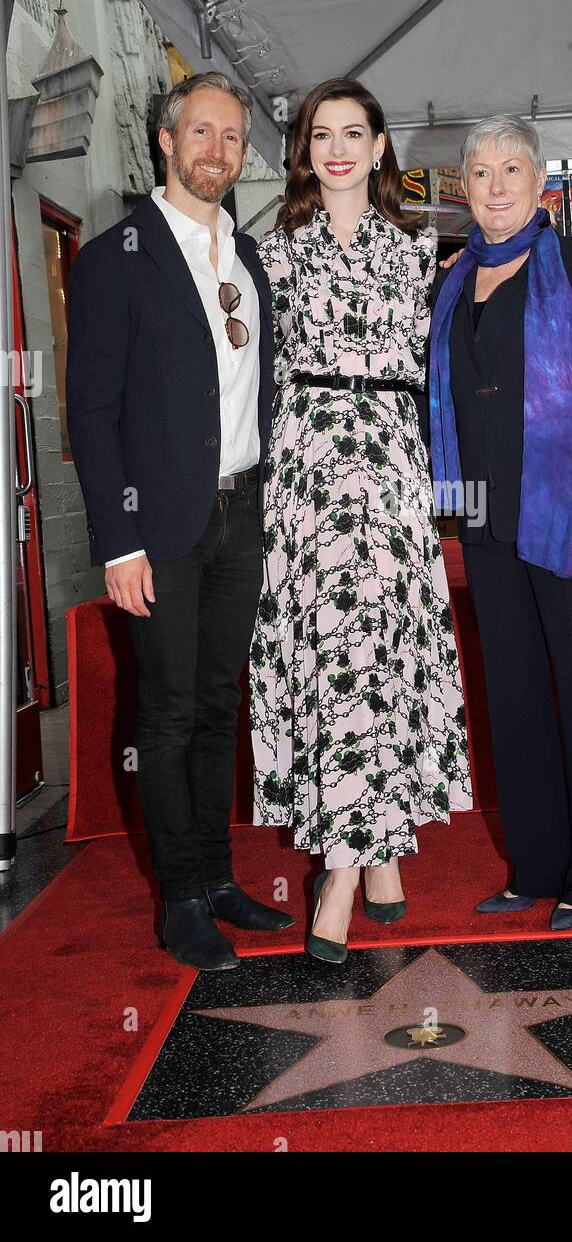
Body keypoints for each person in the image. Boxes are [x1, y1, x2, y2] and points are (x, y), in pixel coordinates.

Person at [66, 72, 295, 971]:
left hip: (242, 513)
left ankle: (220, 875)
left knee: (217, 704)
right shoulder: (112, 258)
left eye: (233, 139)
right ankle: (182, 900)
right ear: (166, 141)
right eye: (202, 134)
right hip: (156, 527)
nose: (218, 152)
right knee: (163, 713)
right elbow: (91, 411)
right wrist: (118, 540)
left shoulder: (250, 261)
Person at [250, 79, 471, 964]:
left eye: (355, 132)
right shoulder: (271, 259)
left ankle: (351, 865)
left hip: (389, 473)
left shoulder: (423, 258)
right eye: (320, 134)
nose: (337, 148)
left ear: (382, 147)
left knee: (381, 652)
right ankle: (367, 858)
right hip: (307, 476)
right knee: (336, 657)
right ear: (302, 152)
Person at [428, 115, 572, 930]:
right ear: (465, 188)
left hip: (566, 519)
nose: (495, 187)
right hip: (485, 527)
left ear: (540, 179)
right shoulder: (449, 283)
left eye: (510, 169)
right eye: (479, 174)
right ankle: (536, 867)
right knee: (513, 698)